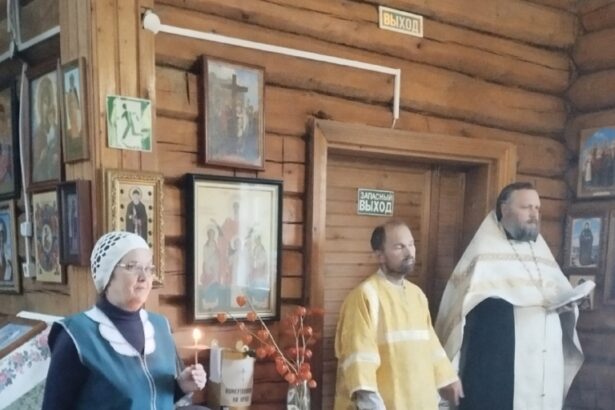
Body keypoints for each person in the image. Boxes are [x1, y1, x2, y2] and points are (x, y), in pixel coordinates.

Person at [435, 182, 584, 410]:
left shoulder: (540, 251)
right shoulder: (485, 251)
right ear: (504, 210)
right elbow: (462, 311)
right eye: (526, 207)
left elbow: (555, 294)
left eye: (537, 208)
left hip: (544, 367)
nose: (534, 214)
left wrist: (566, 306)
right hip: (500, 365)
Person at [42, 231, 207, 409]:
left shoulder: (160, 326)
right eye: (132, 266)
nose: (144, 276)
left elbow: (150, 398)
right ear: (107, 274)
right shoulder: (76, 335)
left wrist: (181, 386)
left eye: (149, 268)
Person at [334, 220, 463, 410]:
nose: (409, 252)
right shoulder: (365, 296)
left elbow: (431, 345)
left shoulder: (417, 295)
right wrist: (372, 405)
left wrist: (448, 379)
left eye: (411, 244)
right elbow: (359, 359)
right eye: (399, 247)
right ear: (380, 256)